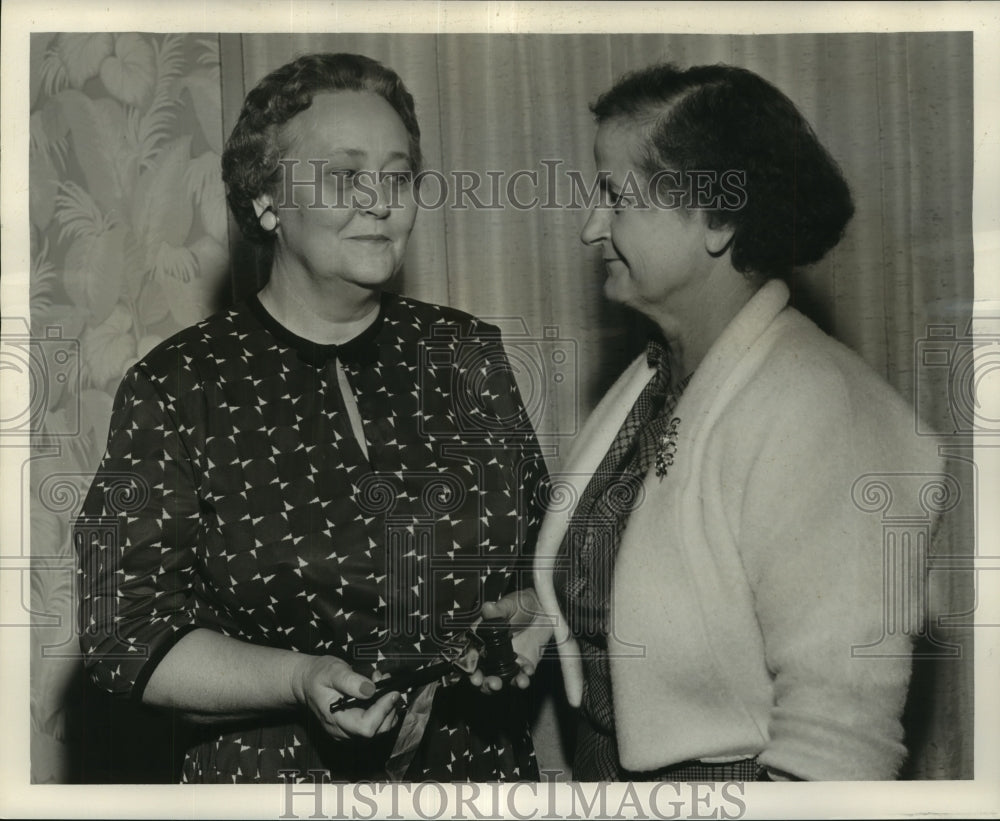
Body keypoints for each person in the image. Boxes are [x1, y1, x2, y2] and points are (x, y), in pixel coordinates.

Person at [75, 52, 549, 784]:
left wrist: (536, 611)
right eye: (344, 175)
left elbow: (548, 555)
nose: (380, 200)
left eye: (397, 177)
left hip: (475, 774)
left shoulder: (466, 353)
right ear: (267, 200)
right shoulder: (178, 385)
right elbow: (123, 635)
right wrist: (297, 678)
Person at [532, 62, 943, 782]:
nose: (591, 226)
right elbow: (660, 577)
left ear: (716, 219)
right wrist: (550, 612)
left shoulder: (824, 410)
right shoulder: (661, 376)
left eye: (615, 198)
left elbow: (839, 746)